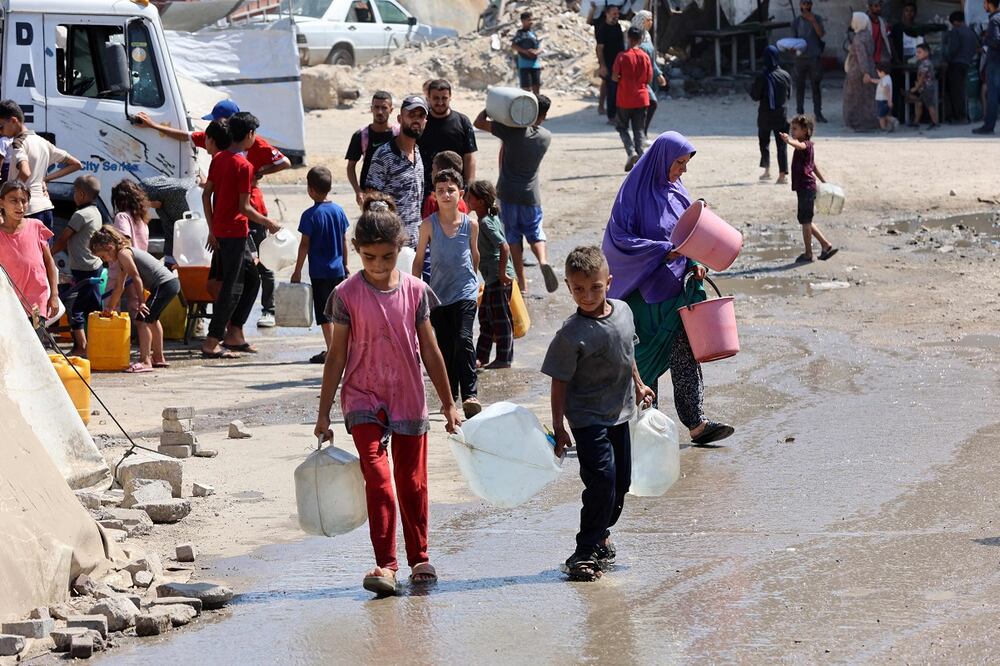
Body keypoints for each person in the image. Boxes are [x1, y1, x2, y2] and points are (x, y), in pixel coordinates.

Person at [313, 196, 460, 597]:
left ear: (401, 248)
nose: (378, 266)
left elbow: (430, 350)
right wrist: (323, 413)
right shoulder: (345, 294)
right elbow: (337, 355)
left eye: (387, 257)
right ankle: (386, 563)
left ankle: (420, 557)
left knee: (412, 482)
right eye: (369, 257)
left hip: (408, 395)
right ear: (356, 251)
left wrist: (449, 403)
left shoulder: (415, 291)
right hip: (362, 396)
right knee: (378, 480)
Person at [601, 132, 735, 446]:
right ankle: (650, 425)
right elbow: (618, 241)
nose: (683, 170)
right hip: (644, 295)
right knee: (646, 358)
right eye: (679, 163)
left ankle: (697, 423)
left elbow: (691, 235)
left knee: (686, 354)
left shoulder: (679, 193)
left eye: (685, 164)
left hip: (677, 291)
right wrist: (662, 250)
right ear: (662, 159)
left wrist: (695, 262)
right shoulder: (632, 195)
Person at [542, 245, 654, 582]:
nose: (587, 296)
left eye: (595, 287)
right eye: (578, 289)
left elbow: (627, 350)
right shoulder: (571, 334)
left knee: (621, 483)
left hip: (621, 412)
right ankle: (583, 552)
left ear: (609, 282)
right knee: (601, 482)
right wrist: (559, 426)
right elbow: (559, 382)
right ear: (568, 286)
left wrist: (639, 383)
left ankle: (601, 533)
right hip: (588, 418)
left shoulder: (622, 312)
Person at [136, 102, 290, 326]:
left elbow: (241, 201)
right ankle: (225, 329)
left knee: (255, 269)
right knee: (232, 278)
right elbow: (208, 190)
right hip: (230, 226)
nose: (211, 129)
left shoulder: (241, 154)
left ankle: (262, 312)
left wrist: (259, 172)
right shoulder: (221, 155)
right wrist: (153, 125)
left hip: (244, 219)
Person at [201, 119, 280, 359]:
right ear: (250, 134)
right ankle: (212, 341)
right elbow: (244, 207)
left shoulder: (219, 159)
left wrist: (212, 228)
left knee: (253, 280)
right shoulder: (243, 165)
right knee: (231, 289)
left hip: (229, 233)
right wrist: (269, 223)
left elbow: (207, 195)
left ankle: (234, 333)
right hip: (234, 233)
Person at [413, 169, 481, 418]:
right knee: (445, 347)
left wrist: (472, 282)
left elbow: (474, 256)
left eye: (451, 190)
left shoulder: (471, 224)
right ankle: (449, 397)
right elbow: (419, 261)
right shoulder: (428, 225)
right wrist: (416, 290)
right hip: (438, 294)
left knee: (463, 339)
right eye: (441, 191)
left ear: (460, 194)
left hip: (465, 291)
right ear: (435, 195)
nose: (446, 194)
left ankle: (471, 395)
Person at [473, 96, 558, 295]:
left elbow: (478, 122)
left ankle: (522, 283)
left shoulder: (512, 132)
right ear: (544, 116)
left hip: (507, 193)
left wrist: (493, 109)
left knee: (512, 237)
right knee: (535, 232)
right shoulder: (545, 136)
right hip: (531, 195)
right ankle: (543, 261)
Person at [90, 226, 180, 373]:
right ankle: (158, 357)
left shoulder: (124, 254)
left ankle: (145, 361)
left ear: (109, 247)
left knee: (142, 320)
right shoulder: (122, 257)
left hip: (165, 284)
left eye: (103, 256)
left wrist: (141, 302)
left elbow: (136, 277)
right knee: (152, 319)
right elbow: (119, 286)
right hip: (169, 284)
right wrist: (110, 307)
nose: (104, 260)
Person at [291, 166, 351, 365]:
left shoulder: (309, 215)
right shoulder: (338, 211)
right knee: (339, 312)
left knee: (324, 315)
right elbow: (344, 240)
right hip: (338, 270)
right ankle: (338, 348)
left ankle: (333, 351)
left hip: (319, 273)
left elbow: (304, 245)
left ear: (310, 190)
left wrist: (297, 270)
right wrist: (346, 264)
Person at [0, 100, 82, 229]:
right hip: (46, 208)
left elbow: (25, 172)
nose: (1, 132)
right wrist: (46, 179)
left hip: (26, 212)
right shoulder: (42, 142)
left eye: (1, 126)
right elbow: (76, 164)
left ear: (14, 121)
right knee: (44, 249)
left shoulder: (18, 144)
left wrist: (8, 195)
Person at [51, 176, 103, 358]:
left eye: (74, 192)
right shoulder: (96, 212)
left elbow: (63, 238)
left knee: (76, 309)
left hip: (83, 268)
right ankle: (96, 345)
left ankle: (81, 346)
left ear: (80, 194)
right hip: (95, 265)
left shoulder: (80, 215)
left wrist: (47, 255)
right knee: (94, 308)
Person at [366, 95, 427, 247]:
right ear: (400, 119)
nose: (416, 120)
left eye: (421, 116)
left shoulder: (417, 153)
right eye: (411, 115)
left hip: (416, 242)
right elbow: (372, 199)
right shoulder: (384, 155)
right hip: (392, 244)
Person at [467, 180, 515, 370]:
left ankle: (504, 358)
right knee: (486, 317)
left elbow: (503, 246)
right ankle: (481, 357)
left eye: (470, 197)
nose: (467, 201)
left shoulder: (486, 222)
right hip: (491, 278)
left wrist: (503, 273)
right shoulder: (484, 220)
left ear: (479, 201)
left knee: (501, 319)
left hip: (498, 277)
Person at [780, 116, 838, 263]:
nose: (792, 131)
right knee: (805, 220)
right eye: (791, 129)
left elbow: (799, 146)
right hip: (804, 187)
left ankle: (808, 253)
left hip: (806, 187)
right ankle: (825, 245)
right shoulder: (806, 147)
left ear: (805, 131)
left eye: (795, 129)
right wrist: (824, 181)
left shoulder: (806, 145)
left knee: (805, 221)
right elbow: (814, 166)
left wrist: (788, 141)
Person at [0, 181, 58, 321]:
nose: (20, 206)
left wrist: (54, 295)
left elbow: (49, 262)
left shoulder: (36, 226)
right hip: (7, 305)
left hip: (36, 303)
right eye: (13, 201)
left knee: (35, 340)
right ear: (1, 203)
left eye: (24, 201)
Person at [418, 80, 477, 196]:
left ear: (450, 97)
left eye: (444, 98)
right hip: (425, 192)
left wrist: (469, 189)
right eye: (435, 98)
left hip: (454, 191)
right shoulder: (421, 122)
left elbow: (469, 157)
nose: (440, 102)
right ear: (428, 98)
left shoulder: (462, 121)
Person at [613, 26, 653, 173]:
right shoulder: (645, 56)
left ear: (628, 38)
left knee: (622, 127)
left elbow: (614, 76)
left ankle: (631, 152)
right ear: (641, 38)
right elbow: (649, 79)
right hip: (642, 97)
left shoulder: (622, 56)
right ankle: (641, 158)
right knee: (639, 129)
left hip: (625, 98)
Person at [346, 91, 396, 209]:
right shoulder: (361, 135)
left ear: (391, 109)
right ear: (371, 109)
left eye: (384, 108)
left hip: (394, 196)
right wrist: (358, 190)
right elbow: (350, 166)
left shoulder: (398, 134)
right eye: (376, 107)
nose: (380, 112)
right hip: (370, 197)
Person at [750, 46, 793, 183]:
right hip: (782, 115)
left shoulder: (762, 76)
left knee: (764, 142)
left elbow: (755, 96)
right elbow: (789, 95)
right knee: (782, 145)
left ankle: (767, 170)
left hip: (765, 115)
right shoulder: (786, 75)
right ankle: (782, 175)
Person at [632, 10, 668, 141]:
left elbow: (651, 60)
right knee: (651, 104)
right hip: (639, 79)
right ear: (642, 21)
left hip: (649, 76)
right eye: (649, 20)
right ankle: (640, 135)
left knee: (647, 106)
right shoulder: (635, 37)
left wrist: (658, 74)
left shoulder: (647, 36)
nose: (651, 22)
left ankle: (642, 135)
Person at [791, 0, 827, 122]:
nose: (806, 7)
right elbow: (793, 40)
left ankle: (818, 113)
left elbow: (821, 34)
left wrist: (813, 21)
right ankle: (799, 113)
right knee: (799, 87)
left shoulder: (817, 18)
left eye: (808, 4)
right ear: (800, 5)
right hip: (800, 59)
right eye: (804, 4)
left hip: (814, 57)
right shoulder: (796, 22)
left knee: (816, 86)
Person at [844, 13, 880, 131]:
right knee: (867, 98)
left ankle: (856, 123)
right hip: (870, 67)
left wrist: (865, 73)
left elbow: (861, 56)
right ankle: (869, 122)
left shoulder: (858, 38)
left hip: (858, 71)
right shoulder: (868, 35)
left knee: (854, 98)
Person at [944, 11, 979, 123]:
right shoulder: (971, 31)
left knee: (955, 91)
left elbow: (954, 48)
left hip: (956, 64)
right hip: (966, 63)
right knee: (961, 90)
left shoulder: (956, 30)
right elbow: (975, 48)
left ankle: (959, 116)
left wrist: (947, 58)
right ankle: (963, 115)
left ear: (955, 22)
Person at [594, 6, 626, 125]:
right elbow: (599, 49)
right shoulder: (603, 28)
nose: (616, 15)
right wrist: (602, 66)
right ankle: (611, 116)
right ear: (607, 14)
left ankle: (618, 114)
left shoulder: (617, 27)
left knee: (618, 90)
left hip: (619, 63)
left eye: (617, 13)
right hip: (609, 63)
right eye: (614, 13)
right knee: (612, 90)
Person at [973, 0, 1000, 135]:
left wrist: (985, 40)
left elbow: (996, 40)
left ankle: (988, 126)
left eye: (984, 3)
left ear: (989, 4)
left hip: (995, 61)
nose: (984, 6)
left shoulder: (994, 20)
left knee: (992, 95)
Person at [420, 151, 471, 219]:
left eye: (433, 169)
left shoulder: (432, 200)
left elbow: (426, 227)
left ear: (440, 172)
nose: (431, 173)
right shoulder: (462, 203)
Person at [111, 179, 152, 251]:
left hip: (126, 261)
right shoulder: (142, 219)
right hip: (139, 261)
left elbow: (124, 245)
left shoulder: (122, 217)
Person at [908, 43, 940, 129]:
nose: (917, 54)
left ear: (926, 53)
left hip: (927, 88)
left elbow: (922, 77)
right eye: (917, 52)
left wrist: (916, 88)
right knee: (919, 104)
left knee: (930, 105)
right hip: (923, 88)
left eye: (919, 52)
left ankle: (935, 122)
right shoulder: (923, 63)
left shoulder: (925, 63)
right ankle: (916, 122)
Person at [513, 11, 543, 95]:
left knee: (536, 89)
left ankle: (538, 107)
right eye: (529, 20)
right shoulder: (520, 34)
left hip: (535, 65)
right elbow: (514, 46)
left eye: (532, 20)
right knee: (526, 91)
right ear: (523, 21)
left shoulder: (533, 33)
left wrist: (537, 52)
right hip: (524, 65)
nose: (531, 22)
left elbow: (540, 46)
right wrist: (525, 51)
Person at [867, 63, 900, 131]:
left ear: (882, 72)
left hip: (882, 100)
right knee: (884, 114)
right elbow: (878, 81)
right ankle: (892, 121)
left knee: (881, 116)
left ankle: (883, 128)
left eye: (878, 72)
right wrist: (870, 80)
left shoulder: (885, 80)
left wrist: (889, 101)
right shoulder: (887, 78)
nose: (878, 74)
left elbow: (886, 90)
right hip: (884, 100)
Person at [867, 0, 893, 71]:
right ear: (870, 7)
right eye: (876, 6)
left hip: (880, 60)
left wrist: (891, 55)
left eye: (880, 6)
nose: (879, 8)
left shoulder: (883, 22)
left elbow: (888, 39)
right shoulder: (864, 22)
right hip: (867, 58)